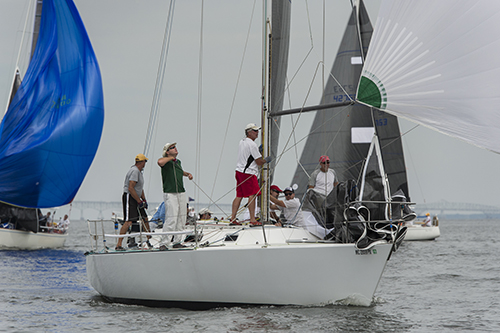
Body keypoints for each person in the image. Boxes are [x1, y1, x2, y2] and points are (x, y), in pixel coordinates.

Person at [230, 123, 272, 225]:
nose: (257, 133)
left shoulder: (242, 141)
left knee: (239, 195)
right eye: (255, 131)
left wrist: (257, 151)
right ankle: (253, 219)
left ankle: (233, 218)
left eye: (257, 131)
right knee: (252, 195)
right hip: (248, 173)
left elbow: (248, 154)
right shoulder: (252, 145)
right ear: (249, 132)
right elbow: (259, 162)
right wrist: (266, 160)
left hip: (239, 171)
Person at [158, 142, 193, 249]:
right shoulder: (166, 161)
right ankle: (164, 243)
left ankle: (177, 242)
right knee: (171, 218)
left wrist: (187, 174)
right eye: (172, 148)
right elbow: (160, 162)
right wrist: (170, 158)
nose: (175, 148)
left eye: (175, 147)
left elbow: (179, 171)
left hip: (181, 192)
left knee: (181, 218)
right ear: (167, 152)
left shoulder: (178, 162)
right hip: (170, 192)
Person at [115, 154, 151, 251]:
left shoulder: (139, 172)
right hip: (130, 197)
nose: (145, 164)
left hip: (137, 198)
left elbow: (139, 188)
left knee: (144, 218)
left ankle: (149, 240)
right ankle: (118, 245)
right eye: (145, 162)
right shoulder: (134, 171)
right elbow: (131, 188)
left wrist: (144, 200)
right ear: (142, 162)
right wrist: (139, 201)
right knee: (128, 221)